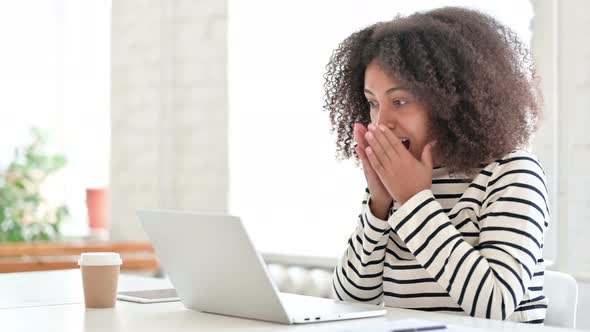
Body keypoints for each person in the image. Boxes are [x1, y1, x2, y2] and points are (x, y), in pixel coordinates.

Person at [323, 7, 548, 324]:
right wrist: (379, 204)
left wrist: (415, 201)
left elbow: (496, 305)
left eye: (399, 101)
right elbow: (348, 301)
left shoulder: (512, 173)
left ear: (451, 100)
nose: (381, 123)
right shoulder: (396, 181)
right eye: (373, 103)